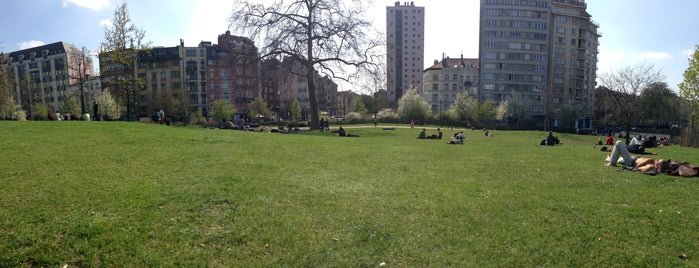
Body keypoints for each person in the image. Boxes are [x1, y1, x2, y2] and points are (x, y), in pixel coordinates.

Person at [604, 140, 669, 173]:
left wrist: (650, 163)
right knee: (618, 158)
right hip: (633, 158)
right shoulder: (651, 164)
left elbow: (638, 167)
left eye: (658, 161)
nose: (656, 160)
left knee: (618, 143)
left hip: (631, 161)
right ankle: (610, 158)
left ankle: (612, 163)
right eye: (658, 159)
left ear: (658, 165)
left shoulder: (651, 163)